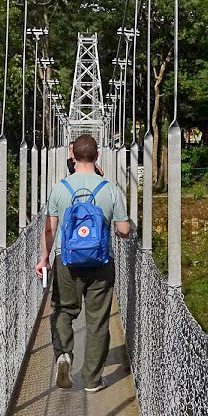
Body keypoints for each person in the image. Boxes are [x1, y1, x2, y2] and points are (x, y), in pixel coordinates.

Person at [35, 134, 130, 392]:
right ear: (97, 156)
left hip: (66, 261)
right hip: (101, 263)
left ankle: (64, 354)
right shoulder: (109, 189)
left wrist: (44, 259)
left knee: (64, 311)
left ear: (72, 154)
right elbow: (123, 229)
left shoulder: (60, 188)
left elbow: (49, 230)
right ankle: (92, 380)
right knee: (97, 321)